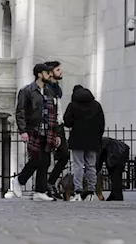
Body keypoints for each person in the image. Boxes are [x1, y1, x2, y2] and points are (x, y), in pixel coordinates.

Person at [6, 63, 61, 201]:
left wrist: (57, 134)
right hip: (33, 130)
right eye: (47, 73)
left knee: (46, 161)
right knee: (36, 160)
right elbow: (20, 112)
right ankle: (19, 181)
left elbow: (55, 113)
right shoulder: (27, 91)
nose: (50, 75)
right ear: (39, 74)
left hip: (48, 130)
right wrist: (23, 130)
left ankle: (40, 191)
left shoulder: (50, 91)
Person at [64, 85, 105, 201]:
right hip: (92, 140)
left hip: (77, 139)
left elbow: (67, 122)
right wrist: (98, 137)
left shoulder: (73, 105)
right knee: (91, 166)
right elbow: (101, 123)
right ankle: (91, 191)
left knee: (78, 165)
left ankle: (78, 191)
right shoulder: (96, 105)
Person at [44, 61, 69, 199]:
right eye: (58, 70)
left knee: (64, 156)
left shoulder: (56, 87)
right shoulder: (47, 88)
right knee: (45, 158)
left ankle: (50, 182)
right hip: (52, 125)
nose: (61, 72)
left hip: (59, 124)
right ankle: (45, 186)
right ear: (51, 72)